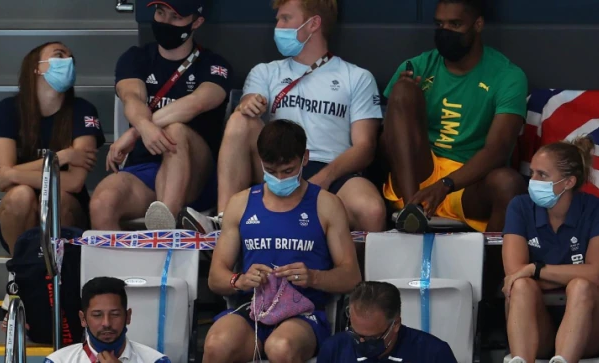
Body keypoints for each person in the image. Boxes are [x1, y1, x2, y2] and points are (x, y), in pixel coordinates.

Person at [181, 0, 386, 234]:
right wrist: (247, 104)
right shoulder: (266, 72)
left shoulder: (357, 77)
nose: (277, 26)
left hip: (332, 168)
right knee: (240, 119)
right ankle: (224, 222)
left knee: (372, 210)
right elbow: (250, 105)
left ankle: (347, 266)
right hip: (276, 165)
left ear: (313, 24)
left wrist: (324, 178)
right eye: (278, 19)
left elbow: (365, 146)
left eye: (286, 19)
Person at [203, 120, 362, 363]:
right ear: (260, 162)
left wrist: (314, 277)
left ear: (305, 158)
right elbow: (216, 277)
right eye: (271, 171)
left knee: (281, 347)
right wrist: (240, 280)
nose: (279, 178)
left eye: (288, 171)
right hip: (251, 309)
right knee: (217, 344)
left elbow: (351, 276)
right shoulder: (240, 203)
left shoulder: (327, 205)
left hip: (303, 313)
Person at [381, 0, 528, 233]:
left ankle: (493, 268)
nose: (445, 31)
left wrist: (445, 185)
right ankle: (413, 213)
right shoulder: (419, 65)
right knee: (402, 89)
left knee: (508, 183)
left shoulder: (508, 75)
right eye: (439, 24)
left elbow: (498, 150)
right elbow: (388, 139)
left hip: (467, 185)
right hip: (418, 176)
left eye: (455, 24)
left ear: (477, 25)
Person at [89, 0, 232, 230]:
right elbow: (132, 98)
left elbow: (196, 103)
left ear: (197, 22)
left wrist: (135, 132)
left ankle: (163, 230)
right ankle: (126, 266)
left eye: (175, 17)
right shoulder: (136, 57)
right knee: (101, 202)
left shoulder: (214, 64)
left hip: (195, 174)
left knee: (175, 130)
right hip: (145, 169)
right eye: (160, 13)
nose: (165, 22)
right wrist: (145, 129)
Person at [502, 137, 599, 363]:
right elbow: (514, 274)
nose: (532, 180)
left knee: (581, 287)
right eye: (532, 172)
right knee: (522, 286)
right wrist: (569, 274)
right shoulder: (520, 206)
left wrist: (535, 270)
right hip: (539, 325)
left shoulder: (598, 209)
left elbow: (594, 273)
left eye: (542, 175)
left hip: (593, 331)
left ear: (568, 182)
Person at [0, 41, 105, 255]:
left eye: (71, 59)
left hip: (69, 209)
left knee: (55, 197)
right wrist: (62, 157)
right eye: (59, 55)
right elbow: (4, 182)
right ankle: (20, 271)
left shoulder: (83, 110)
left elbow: (74, 182)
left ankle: (62, 275)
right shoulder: (7, 109)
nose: (67, 62)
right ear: (36, 67)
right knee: (19, 196)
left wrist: (14, 172)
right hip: (20, 213)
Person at [318, 281, 457, 363]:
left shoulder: (433, 354)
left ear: (395, 324)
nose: (361, 341)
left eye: (371, 338)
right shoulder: (333, 350)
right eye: (354, 333)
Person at [45, 277, 170, 363]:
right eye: (97, 315)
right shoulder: (58, 361)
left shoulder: (156, 360)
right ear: (83, 319)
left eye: (115, 314)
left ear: (128, 316)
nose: (106, 323)